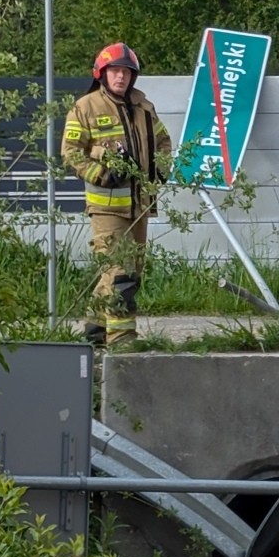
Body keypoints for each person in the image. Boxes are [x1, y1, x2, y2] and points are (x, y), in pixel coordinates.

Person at [61, 42, 171, 347]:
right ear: (102, 74)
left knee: (127, 273)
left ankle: (95, 332)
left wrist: (162, 168)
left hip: (140, 205)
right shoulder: (86, 107)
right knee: (120, 274)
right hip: (107, 207)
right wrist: (100, 173)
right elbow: (70, 152)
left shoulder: (144, 107)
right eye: (114, 71)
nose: (120, 77)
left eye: (126, 72)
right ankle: (123, 341)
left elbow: (163, 141)